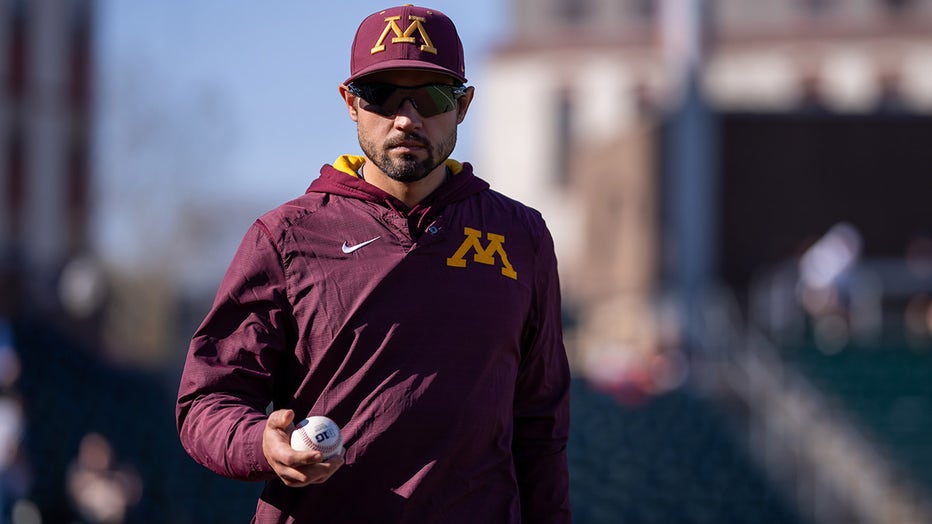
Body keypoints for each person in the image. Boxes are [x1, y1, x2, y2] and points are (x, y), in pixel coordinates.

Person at [175, 4, 571, 523]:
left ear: (464, 105)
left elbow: (541, 426)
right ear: (351, 103)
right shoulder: (285, 237)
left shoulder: (521, 237)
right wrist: (261, 444)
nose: (407, 118)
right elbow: (207, 400)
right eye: (383, 95)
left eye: (430, 96)